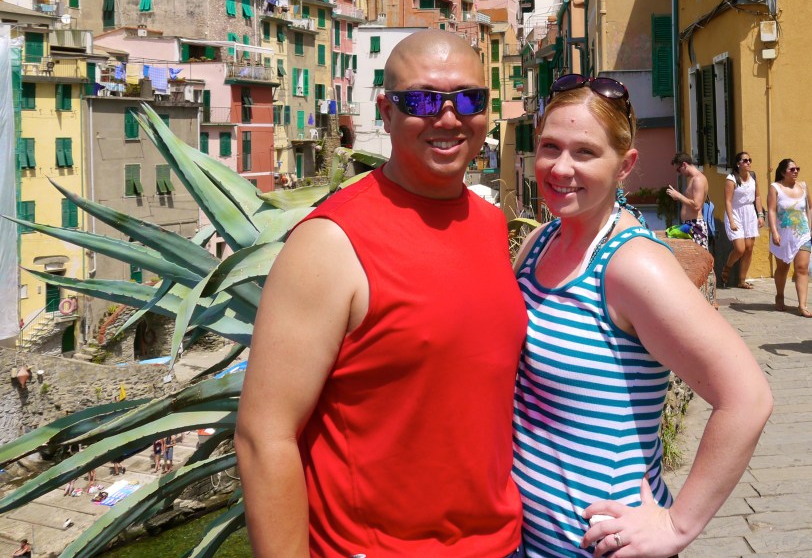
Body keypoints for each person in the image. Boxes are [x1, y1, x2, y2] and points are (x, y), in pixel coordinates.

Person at [236, 30, 526, 558]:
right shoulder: (329, 243)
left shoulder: (488, 223)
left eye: (469, 99)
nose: (448, 118)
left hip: (502, 545)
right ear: (385, 112)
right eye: (421, 100)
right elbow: (264, 437)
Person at [513, 74, 772, 558]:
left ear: (624, 165)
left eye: (585, 152)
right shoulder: (538, 243)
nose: (560, 167)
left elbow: (747, 398)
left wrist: (676, 525)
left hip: (597, 547)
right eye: (550, 146)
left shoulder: (632, 266)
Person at [768, 157, 812, 316]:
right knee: (783, 267)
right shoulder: (775, 188)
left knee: (802, 269)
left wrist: (811, 229)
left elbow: (810, 209)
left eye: (797, 169)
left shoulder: (804, 187)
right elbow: (771, 210)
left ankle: (802, 306)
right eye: (792, 169)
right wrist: (774, 231)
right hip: (782, 235)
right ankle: (780, 295)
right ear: (782, 172)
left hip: (802, 234)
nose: (795, 172)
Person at [720, 151, 764, 289]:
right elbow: (727, 201)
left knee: (749, 248)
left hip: (750, 213)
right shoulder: (731, 179)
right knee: (740, 249)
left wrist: (761, 214)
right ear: (738, 163)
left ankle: (742, 280)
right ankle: (727, 267)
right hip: (735, 213)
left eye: (750, 160)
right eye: (745, 160)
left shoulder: (753, 177)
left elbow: (757, 197)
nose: (749, 163)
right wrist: (732, 221)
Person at [666, 152, 710, 248]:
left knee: (699, 260)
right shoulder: (693, 179)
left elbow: (696, 205)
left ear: (684, 165)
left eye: (678, 170)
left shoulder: (698, 179)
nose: (679, 173)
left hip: (696, 226)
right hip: (690, 224)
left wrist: (679, 196)